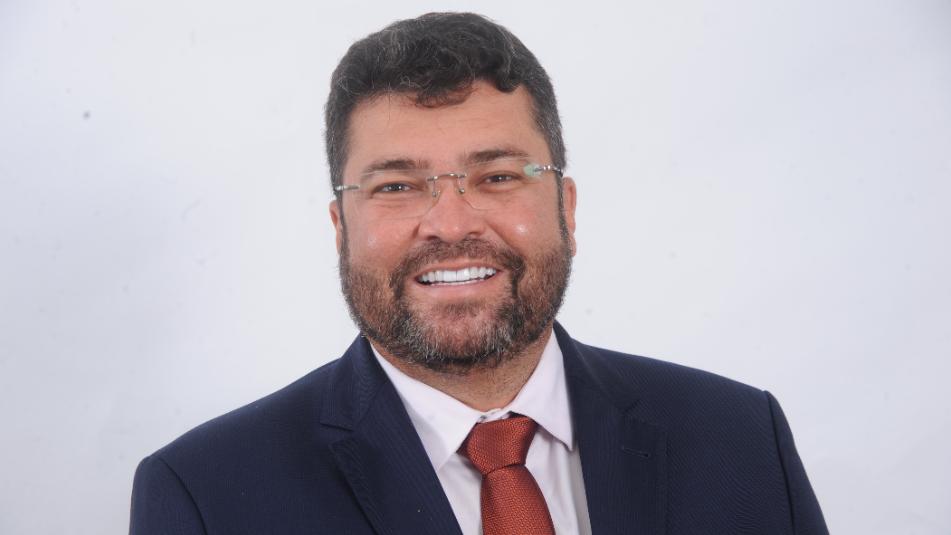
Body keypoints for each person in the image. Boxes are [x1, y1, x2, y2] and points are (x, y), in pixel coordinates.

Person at [130, 12, 828, 534]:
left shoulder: (741, 438)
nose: (450, 222)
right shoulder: (206, 496)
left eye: (496, 176)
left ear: (566, 206)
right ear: (340, 228)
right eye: (397, 186)